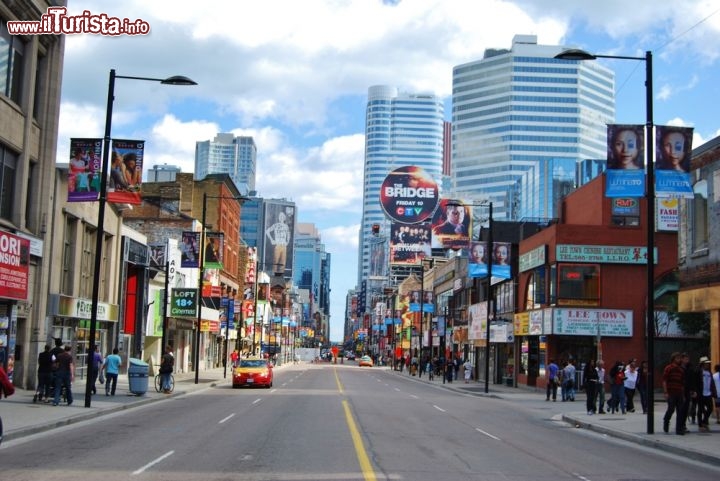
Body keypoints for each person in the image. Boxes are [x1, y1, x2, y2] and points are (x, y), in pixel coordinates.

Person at [662, 352, 686, 435]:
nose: (679, 360)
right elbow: (664, 380)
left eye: (680, 358)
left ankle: (679, 429)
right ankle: (666, 420)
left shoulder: (681, 370)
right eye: (677, 358)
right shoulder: (669, 368)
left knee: (680, 411)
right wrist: (665, 392)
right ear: (673, 359)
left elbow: (682, 383)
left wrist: (682, 394)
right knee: (671, 409)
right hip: (671, 392)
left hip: (679, 392)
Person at [695, 356, 717, 432]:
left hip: (708, 393)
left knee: (710, 408)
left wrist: (714, 392)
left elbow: (712, 383)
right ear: (702, 364)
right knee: (700, 410)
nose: (707, 365)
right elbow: (696, 383)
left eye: (708, 364)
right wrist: (695, 392)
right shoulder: (698, 372)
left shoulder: (709, 372)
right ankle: (700, 425)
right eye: (706, 363)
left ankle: (705, 421)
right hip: (701, 394)